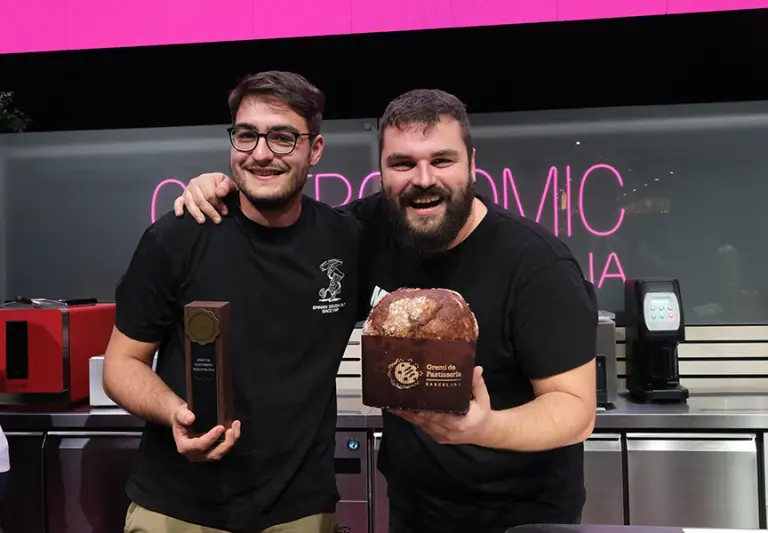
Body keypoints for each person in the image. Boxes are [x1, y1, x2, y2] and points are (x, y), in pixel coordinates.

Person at [172, 89, 598, 533]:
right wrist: (222, 188)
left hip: (520, 517)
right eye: (402, 164)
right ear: (381, 170)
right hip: (413, 510)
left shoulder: (536, 264)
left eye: (442, 160)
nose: (424, 178)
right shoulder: (369, 231)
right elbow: (282, 232)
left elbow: (574, 410)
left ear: (472, 161)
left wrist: (483, 428)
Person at [103, 71, 362, 533]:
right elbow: (121, 364)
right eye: (246, 135)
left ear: (315, 150)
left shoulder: (348, 241)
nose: (261, 153)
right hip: (177, 509)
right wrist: (174, 413)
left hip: (299, 511)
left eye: (282, 138)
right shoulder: (177, 236)